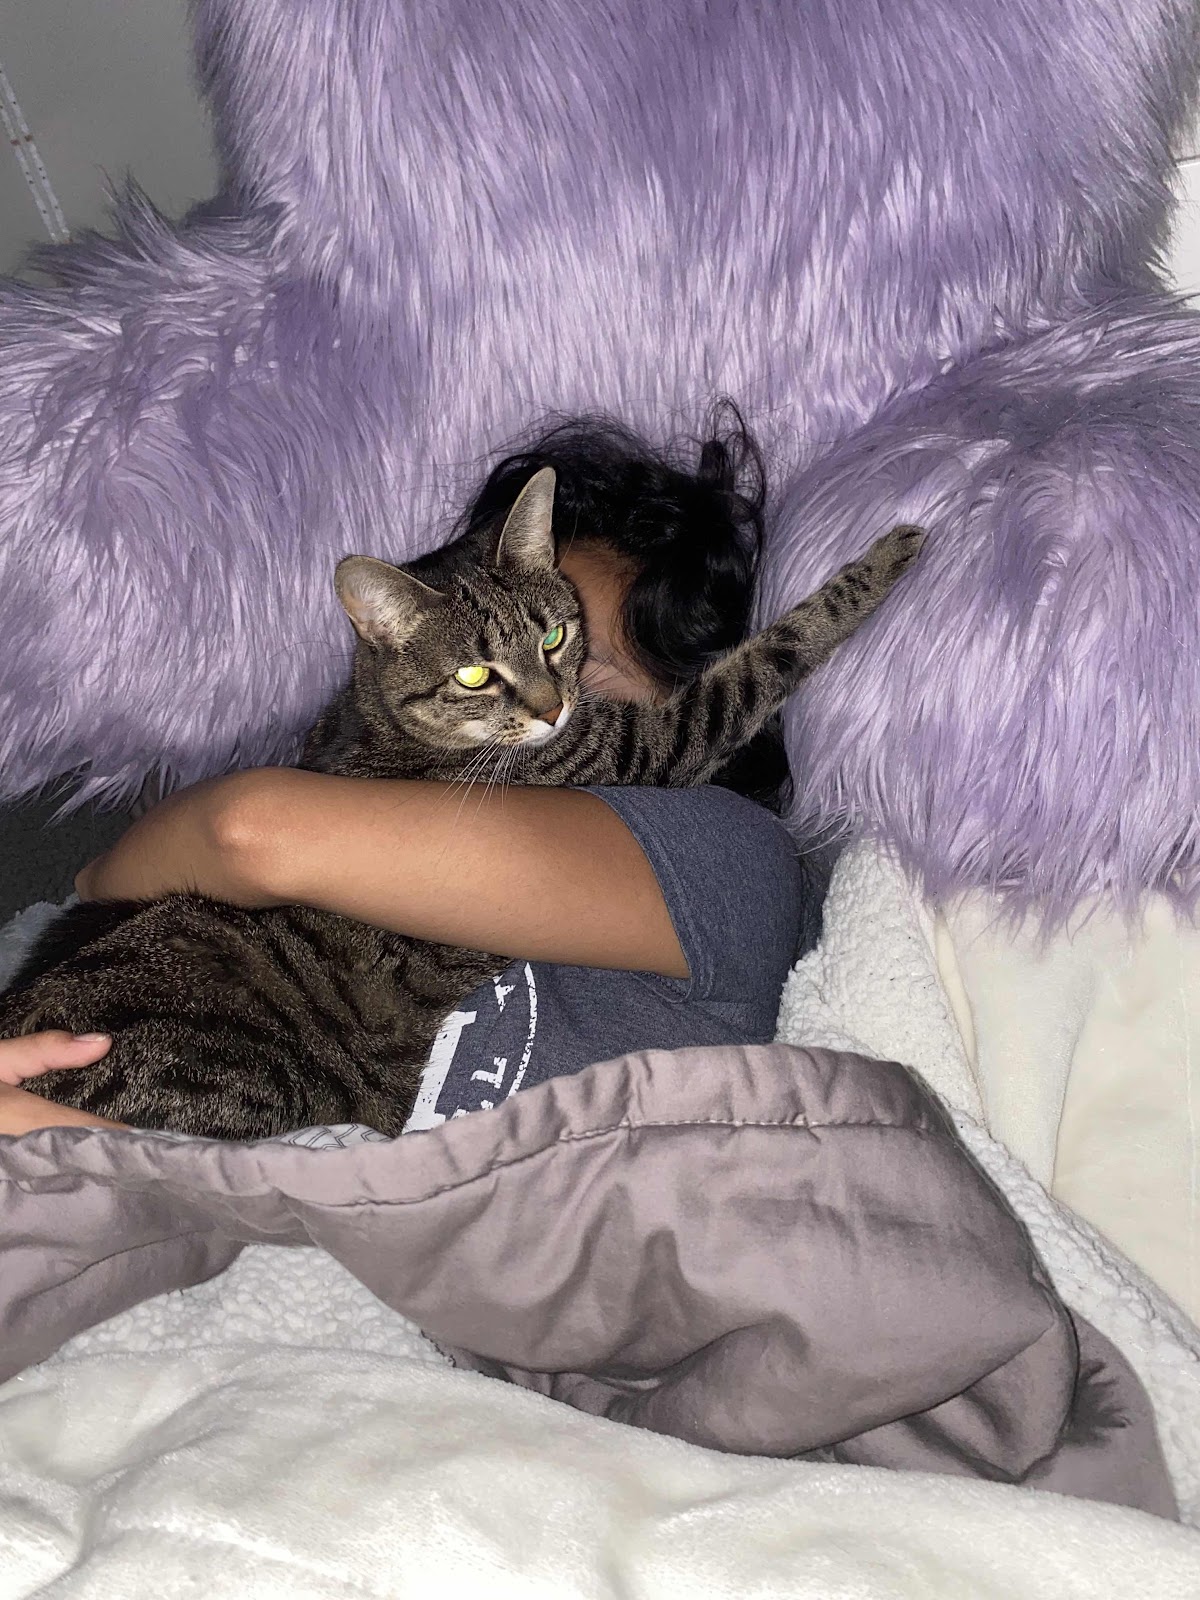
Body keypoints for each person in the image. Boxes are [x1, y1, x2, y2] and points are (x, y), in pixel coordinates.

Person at [0, 408, 813, 1139]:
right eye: (479, 662)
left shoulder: (732, 856)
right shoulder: (404, 787)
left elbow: (245, 831)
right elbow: (118, 884)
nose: (541, 702)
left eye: (568, 649)